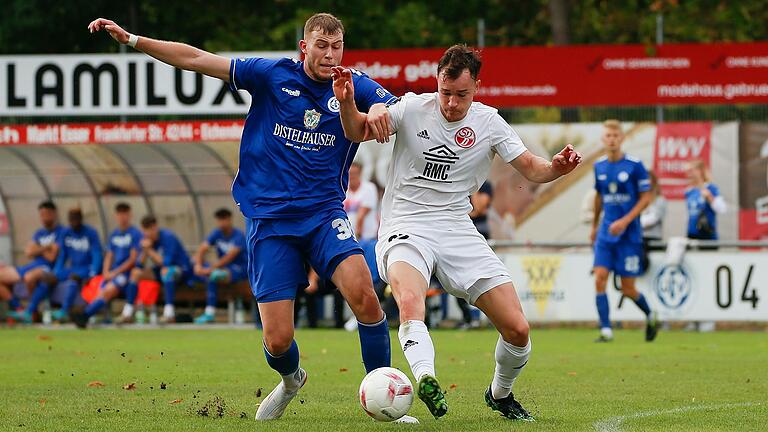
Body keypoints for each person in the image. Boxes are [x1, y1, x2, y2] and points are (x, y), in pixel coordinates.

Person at [88, 13, 414, 423]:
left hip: (323, 215)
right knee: (278, 340)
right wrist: (133, 39)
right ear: (304, 47)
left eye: (336, 47)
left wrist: (382, 106)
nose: (330, 55)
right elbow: (195, 59)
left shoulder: (352, 83)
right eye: (321, 46)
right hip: (269, 220)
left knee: (365, 295)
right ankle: (292, 378)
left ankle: (381, 394)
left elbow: (394, 106)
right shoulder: (271, 74)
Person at [332, 44, 582, 421]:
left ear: (477, 87)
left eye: (461, 95)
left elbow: (532, 168)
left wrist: (557, 168)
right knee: (411, 300)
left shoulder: (489, 123)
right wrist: (349, 104)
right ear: (437, 83)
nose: (451, 103)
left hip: (456, 230)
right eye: (445, 93)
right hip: (406, 225)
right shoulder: (412, 108)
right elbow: (355, 131)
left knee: (517, 329)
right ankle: (425, 378)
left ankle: (500, 394)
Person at [590, 120, 658, 343]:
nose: (611, 139)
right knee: (600, 278)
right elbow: (599, 196)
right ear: (603, 139)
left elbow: (646, 197)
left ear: (622, 138)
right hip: (606, 233)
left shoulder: (635, 165)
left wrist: (626, 220)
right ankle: (606, 330)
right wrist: (594, 225)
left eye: (615, 136)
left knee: (628, 288)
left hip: (629, 236)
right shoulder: (599, 166)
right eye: (607, 136)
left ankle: (650, 314)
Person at [72, 202, 141, 328]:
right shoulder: (114, 234)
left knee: (109, 290)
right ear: (116, 216)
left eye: (125, 214)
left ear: (130, 215)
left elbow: (132, 259)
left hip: (125, 273)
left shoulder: (135, 234)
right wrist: (105, 272)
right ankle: (86, 315)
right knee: (101, 292)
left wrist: (115, 272)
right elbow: (109, 256)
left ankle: (85, 315)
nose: (122, 217)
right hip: (113, 273)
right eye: (120, 214)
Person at [5, 200, 65, 321]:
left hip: (47, 268)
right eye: (41, 215)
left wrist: (37, 248)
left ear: (54, 214)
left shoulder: (61, 232)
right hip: (32, 265)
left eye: (46, 214)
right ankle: (19, 308)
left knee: (29, 277)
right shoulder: (39, 233)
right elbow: (28, 252)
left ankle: (31, 311)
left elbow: (52, 257)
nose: (43, 218)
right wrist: (47, 247)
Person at [44, 209, 103, 323]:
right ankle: (41, 310)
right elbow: (62, 256)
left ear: (81, 219)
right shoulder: (66, 233)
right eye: (71, 219)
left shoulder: (91, 233)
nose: (73, 222)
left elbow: (96, 255)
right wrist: (56, 272)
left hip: (86, 268)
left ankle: (64, 311)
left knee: (73, 279)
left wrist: (92, 273)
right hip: (72, 268)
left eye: (76, 219)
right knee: (46, 278)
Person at [192, 208, 248, 324]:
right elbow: (202, 248)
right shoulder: (216, 233)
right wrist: (198, 265)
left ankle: (210, 313)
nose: (222, 223)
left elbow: (230, 256)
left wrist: (211, 268)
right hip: (224, 269)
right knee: (205, 273)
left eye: (224, 219)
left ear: (230, 220)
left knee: (214, 275)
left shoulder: (238, 235)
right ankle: (209, 312)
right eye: (219, 220)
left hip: (241, 268)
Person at [135, 215, 193, 324]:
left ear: (154, 227)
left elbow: (166, 263)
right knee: (136, 273)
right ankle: (131, 311)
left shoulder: (168, 237)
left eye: (147, 231)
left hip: (182, 270)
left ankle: (169, 313)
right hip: (161, 271)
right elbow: (139, 265)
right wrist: (144, 251)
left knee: (167, 271)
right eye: (144, 232)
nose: (145, 235)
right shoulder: (148, 241)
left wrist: (149, 250)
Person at [685, 160, 726, 247]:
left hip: (707, 234)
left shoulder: (711, 188)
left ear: (699, 171)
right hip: (692, 234)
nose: (689, 174)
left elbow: (722, 209)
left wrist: (709, 197)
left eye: (691, 171)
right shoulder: (689, 191)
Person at [344, 162, 379, 241]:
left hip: (365, 238)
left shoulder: (369, 188)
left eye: (354, 173)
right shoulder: (344, 190)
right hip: (348, 239)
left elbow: (361, 215)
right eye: (350, 174)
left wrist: (358, 235)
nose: (352, 176)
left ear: (360, 174)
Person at [639, 170, 666, 272]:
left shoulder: (660, 200)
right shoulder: (637, 200)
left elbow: (653, 219)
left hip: (652, 240)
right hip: (638, 238)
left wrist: (633, 222)